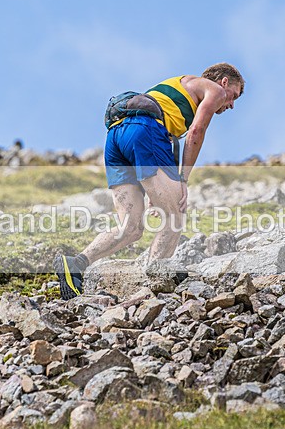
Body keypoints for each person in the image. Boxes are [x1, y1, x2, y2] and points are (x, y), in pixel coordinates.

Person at [55, 63, 245, 300]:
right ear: (224, 82)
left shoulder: (177, 87)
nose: (231, 104)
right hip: (146, 131)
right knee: (175, 213)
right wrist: (182, 179)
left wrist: (161, 190)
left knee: (131, 227)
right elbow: (196, 131)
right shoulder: (214, 90)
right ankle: (156, 275)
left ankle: (76, 264)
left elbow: (170, 141)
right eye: (233, 95)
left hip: (116, 137)